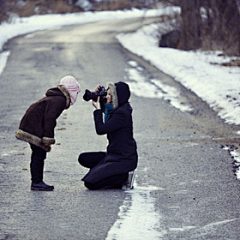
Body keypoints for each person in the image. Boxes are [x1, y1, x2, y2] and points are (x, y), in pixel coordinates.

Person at [15, 76, 81, 191]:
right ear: (71, 91)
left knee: (37, 154)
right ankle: (36, 182)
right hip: (33, 126)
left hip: (32, 124)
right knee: (38, 154)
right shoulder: (59, 100)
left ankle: (36, 181)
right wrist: (47, 139)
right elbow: (50, 119)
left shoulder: (56, 97)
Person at [78, 81, 138, 190]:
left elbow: (101, 129)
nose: (108, 98)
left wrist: (97, 110)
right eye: (107, 94)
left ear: (118, 98)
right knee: (83, 158)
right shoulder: (118, 109)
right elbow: (108, 112)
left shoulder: (122, 114)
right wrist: (99, 97)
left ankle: (123, 177)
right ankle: (105, 172)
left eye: (111, 95)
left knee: (90, 184)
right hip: (113, 154)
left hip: (123, 159)